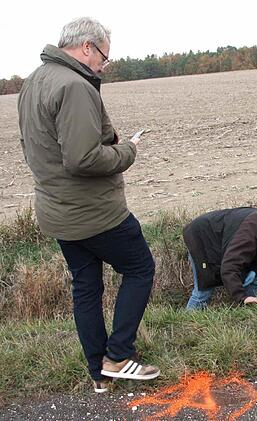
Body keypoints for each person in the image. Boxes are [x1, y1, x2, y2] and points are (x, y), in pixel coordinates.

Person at [17, 17, 158, 394]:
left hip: (57, 211)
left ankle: (99, 373)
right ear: (86, 48)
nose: (103, 66)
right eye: (104, 58)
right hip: (94, 212)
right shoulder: (75, 85)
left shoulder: (34, 81)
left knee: (86, 287)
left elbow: (34, 146)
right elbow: (82, 159)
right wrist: (127, 151)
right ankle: (119, 355)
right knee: (141, 268)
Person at [183, 207, 257, 309]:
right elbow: (229, 267)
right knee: (205, 288)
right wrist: (241, 297)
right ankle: (188, 325)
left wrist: (253, 270)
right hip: (201, 236)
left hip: (223, 238)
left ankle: (252, 312)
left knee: (251, 275)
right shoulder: (248, 234)